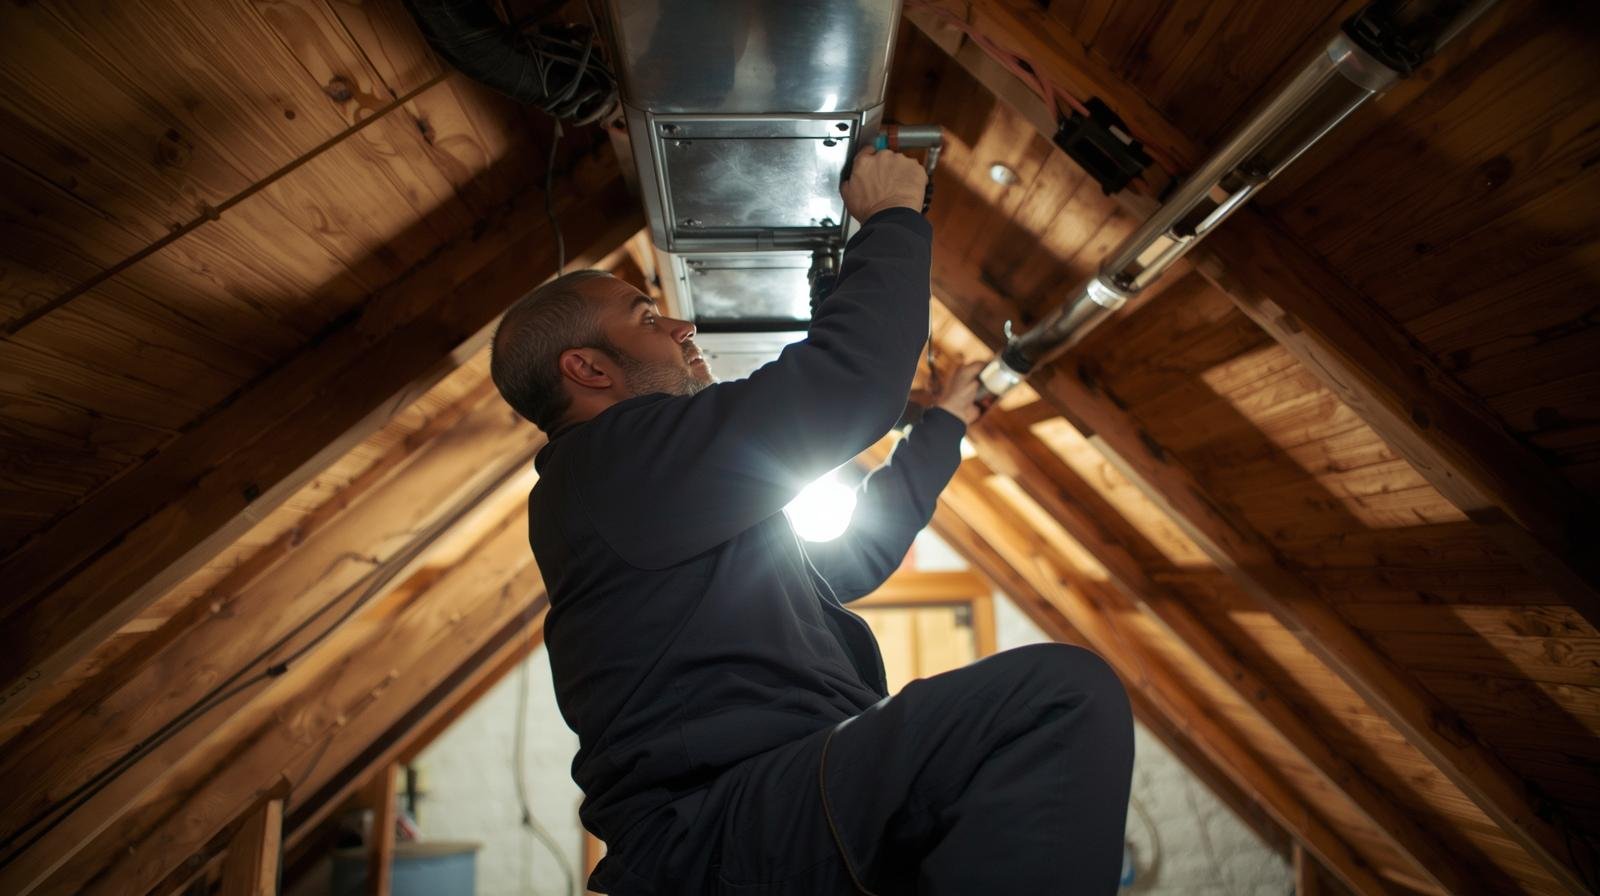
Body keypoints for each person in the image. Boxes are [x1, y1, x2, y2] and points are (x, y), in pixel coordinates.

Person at [489, 147, 1134, 894]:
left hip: (756, 813)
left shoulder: (646, 492)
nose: (682, 324)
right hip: (719, 828)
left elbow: (850, 559)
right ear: (589, 369)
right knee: (1055, 700)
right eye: (647, 317)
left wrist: (943, 427)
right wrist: (891, 215)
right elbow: (847, 382)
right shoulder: (610, 464)